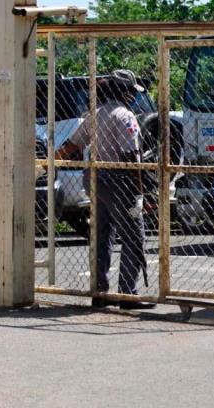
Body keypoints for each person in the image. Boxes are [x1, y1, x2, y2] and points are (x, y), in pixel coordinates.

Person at [55, 69, 155, 310]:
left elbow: (71, 145)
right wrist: (141, 191)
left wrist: (48, 162)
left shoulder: (94, 115)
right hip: (121, 181)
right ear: (123, 92)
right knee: (133, 236)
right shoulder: (125, 116)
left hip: (95, 180)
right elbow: (131, 156)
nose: (133, 96)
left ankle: (99, 291)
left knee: (102, 235)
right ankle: (128, 294)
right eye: (131, 92)